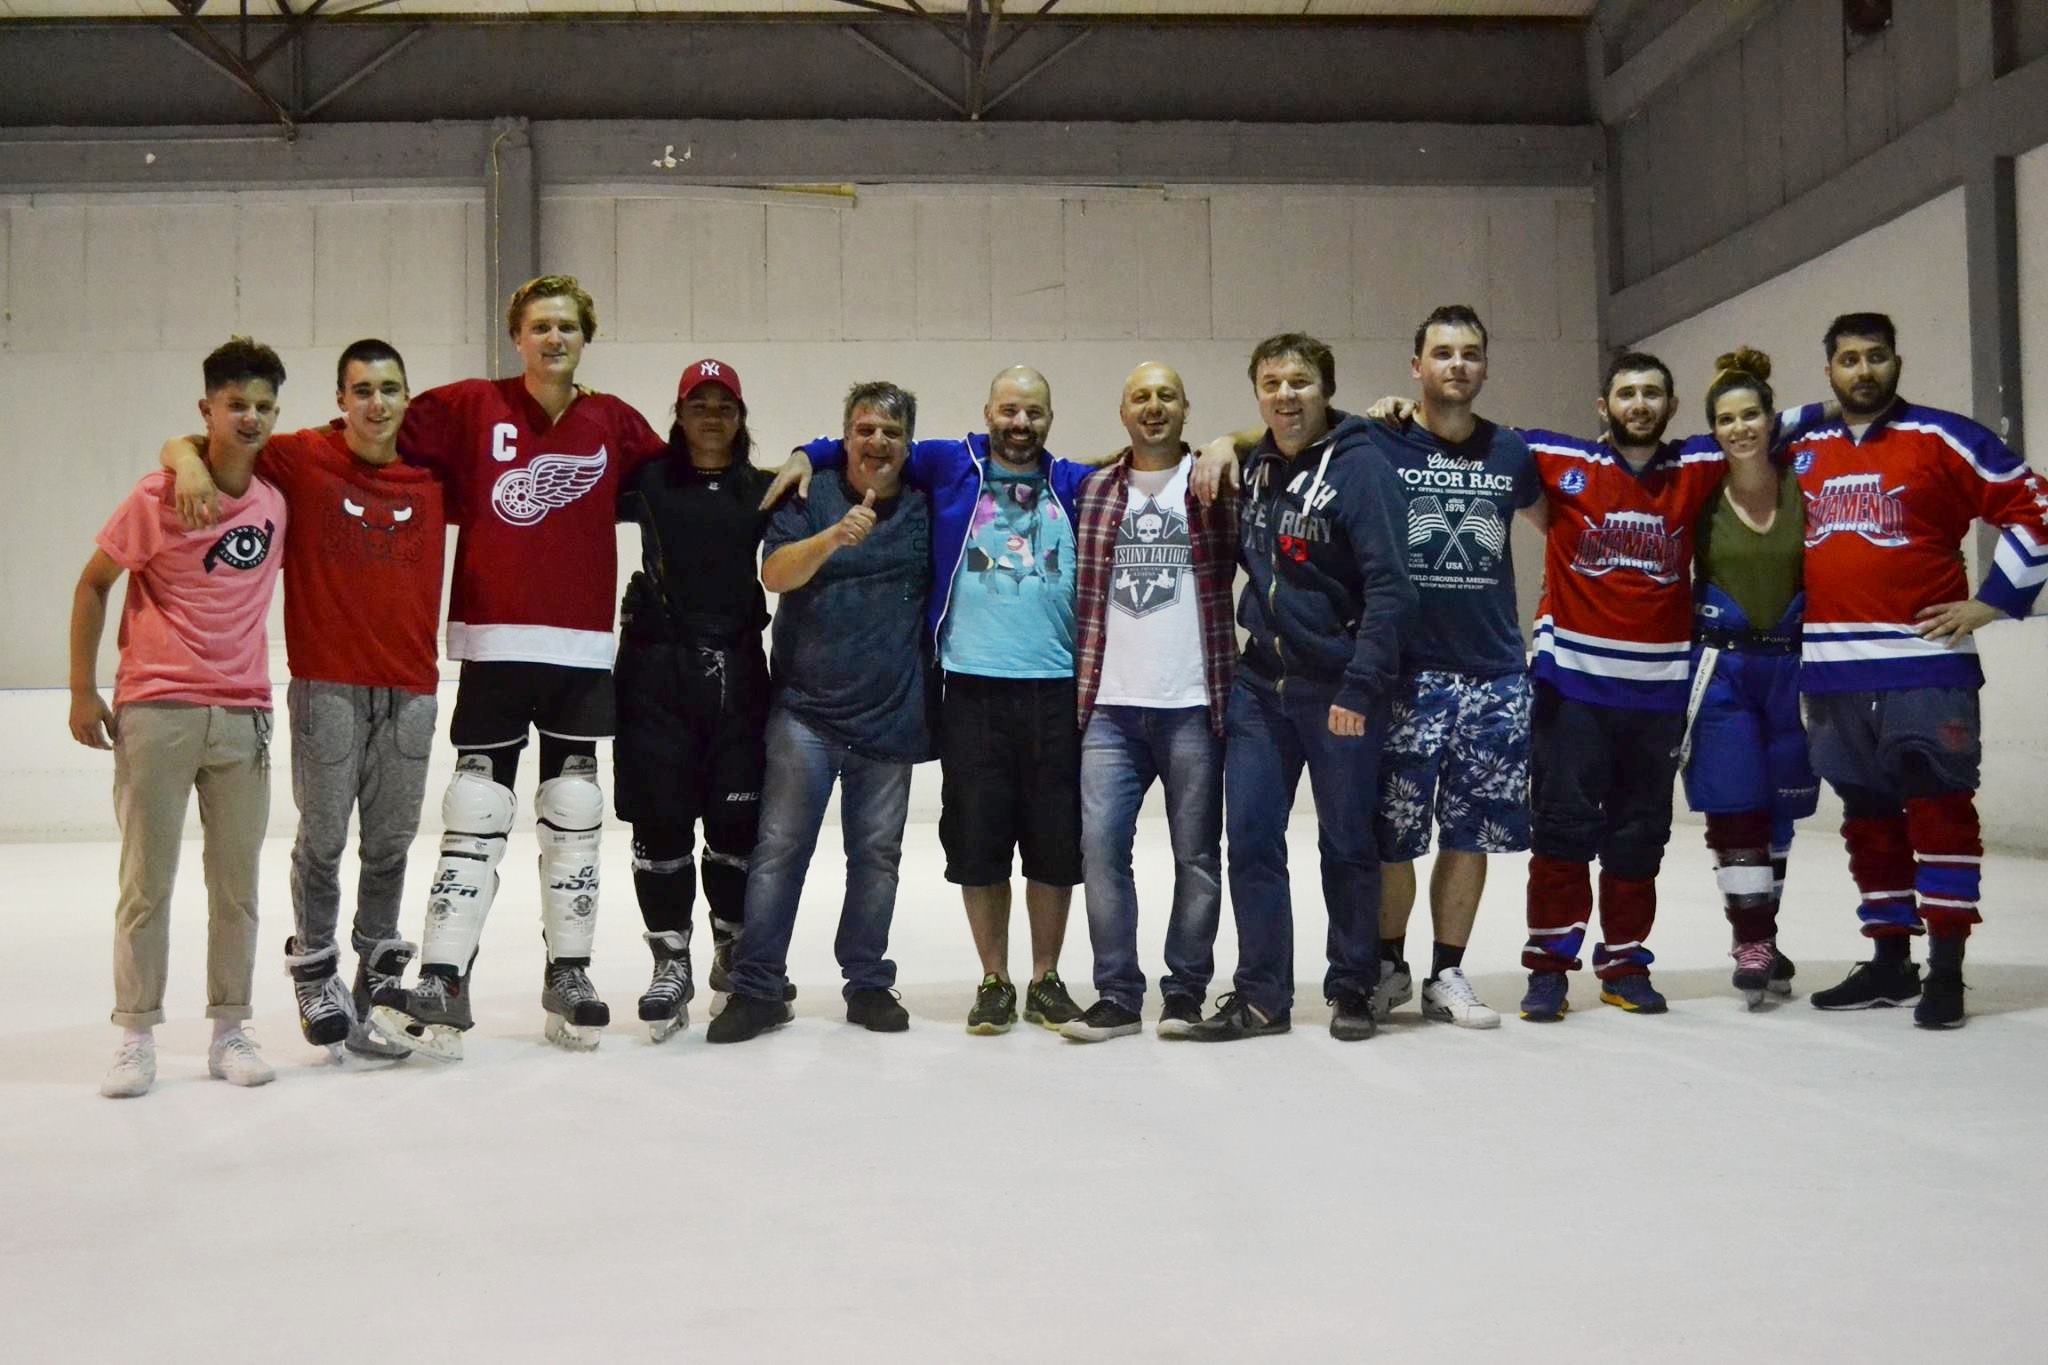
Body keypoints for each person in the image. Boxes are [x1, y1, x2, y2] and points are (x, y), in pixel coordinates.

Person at [368, 274, 668, 1057]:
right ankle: (441, 975)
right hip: (496, 641)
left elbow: (689, 480)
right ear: (517, 335)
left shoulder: (614, 421)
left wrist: (804, 462)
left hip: (579, 648)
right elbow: (373, 431)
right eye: (540, 325)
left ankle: (569, 971)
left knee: (573, 808)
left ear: (585, 337)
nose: (553, 338)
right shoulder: (469, 405)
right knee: (475, 809)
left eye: (567, 325)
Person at [780, 367, 1096, 1035]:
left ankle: (1045, 977)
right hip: (970, 687)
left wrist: (1220, 447)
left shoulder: (1073, 483)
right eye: (1008, 409)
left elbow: (1145, 468)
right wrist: (808, 451)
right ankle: (993, 978)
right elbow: (869, 443)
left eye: (1033, 412)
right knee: (978, 845)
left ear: (1049, 418)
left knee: (1053, 846)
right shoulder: (954, 463)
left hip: (1053, 687)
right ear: (987, 412)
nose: (1019, 423)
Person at [161, 339, 446, 1061]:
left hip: (412, 689)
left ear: (406, 397)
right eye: (361, 390)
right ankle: (315, 971)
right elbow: (207, 438)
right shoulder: (304, 458)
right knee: (323, 841)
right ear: (340, 400)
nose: (376, 403)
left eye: (389, 388)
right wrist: (188, 461)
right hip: (328, 687)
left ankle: (377, 987)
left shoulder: (433, 474)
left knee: (389, 847)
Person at [1788, 312, 2048, 1028]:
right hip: (1833, 672)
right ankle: (1889, 961)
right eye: (1846, 359)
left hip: (1925, 667)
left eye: (1875, 357)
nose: (1862, 371)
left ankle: (1947, 971)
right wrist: (1808, 411)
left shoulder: (1945, 438)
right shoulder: (1803, 446)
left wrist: (1994, 600)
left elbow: (2034, 507)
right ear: (1829, 370)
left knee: (1940, 814)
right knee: (1868, 822)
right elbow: (1731, 439)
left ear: (1897, 362)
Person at [72, 337, 290, 1097]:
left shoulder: (273, 502)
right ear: (207, 411)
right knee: (147, 882)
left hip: (243, 717)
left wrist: (194, 456)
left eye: (264, 405)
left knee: (236, 886)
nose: (251, 417)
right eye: (237, 405)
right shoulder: (155, 496)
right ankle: (135, 1031)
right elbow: (94, 584)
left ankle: (231, 1027)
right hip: (156, 708)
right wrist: (80, 689)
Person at [1186, 333, 1417, 1042]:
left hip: (1340, 689)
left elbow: (1390, 588)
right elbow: (1251, 442)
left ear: (1327, 389)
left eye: (1300, 382)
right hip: (1262, 687)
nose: (1286, 395)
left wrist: (1359, 686)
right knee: (1252, 840)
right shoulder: (1257, 463)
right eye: (1272, 383)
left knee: (1348, 843)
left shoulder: (1363, 467)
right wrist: (1225, 440)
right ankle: (1261, 995)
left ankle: (1352, 985)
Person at [708, 382, 933, 1043]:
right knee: (778, 852)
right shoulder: (810, 492)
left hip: (891, 720)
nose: (877, 442)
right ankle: (758, 988)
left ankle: (867, 982)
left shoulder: (927, 505)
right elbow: (774, 573)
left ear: (907, 443)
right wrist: (834, 537)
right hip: (805, 713)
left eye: (891, 432)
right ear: (845, 434)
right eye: (864, 429)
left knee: (877, 858)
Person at [1362, 306, 1542, 1030]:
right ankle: (1387, 965)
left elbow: (1562, 528)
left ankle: (1446, 972)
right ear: (1416, 367)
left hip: (1496, 675)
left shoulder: (1512, 453)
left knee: (1472, 833)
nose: (1457, 365)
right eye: (1442, 353)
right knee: (1393, 833)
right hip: (1408, 673)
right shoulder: (1383, 439)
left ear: (1485, 368)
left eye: (1470, 353)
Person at [1061, 362, 1238, 1043]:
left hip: (1195, 704)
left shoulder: (1215, 485)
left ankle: (1185, 991)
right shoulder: (1095, 489)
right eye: (1141, 395)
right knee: (1102, 851)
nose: (1154, 406)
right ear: (1122, 410)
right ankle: (1115, 992)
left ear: (1187, 408)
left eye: (1167, 395)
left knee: (1196, 855)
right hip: (1109, 710)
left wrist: (1232, 444)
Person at [613, 358, 784, 1042]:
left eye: (725, 405)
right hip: (657, 672)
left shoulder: (770, 490)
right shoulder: (646, 480)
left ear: (741, 418)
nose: (712, 415)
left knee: (737, 826)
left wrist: (813, 453)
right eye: (698, 404)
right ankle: (670, 961)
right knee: (660, 825)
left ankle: (731, 950)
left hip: (739, 671)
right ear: (678, 414)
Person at [1680, 347, 1816, 1008]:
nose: (1740, 428)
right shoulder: (1700, 489)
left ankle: (1764, 927)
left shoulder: (1803, 481)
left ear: (1771, 418)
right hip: (1720, 667)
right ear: (1713, 429)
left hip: (1790, 666)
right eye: (1726, 418)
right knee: (1735, 803)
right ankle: (1753, 940)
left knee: (1780, 808)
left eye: (1751, 414)